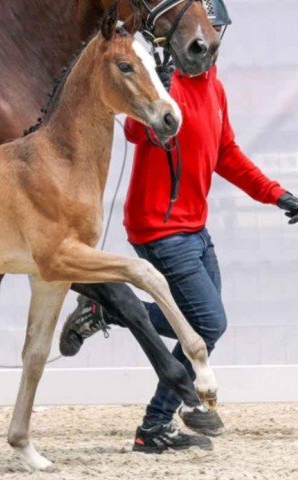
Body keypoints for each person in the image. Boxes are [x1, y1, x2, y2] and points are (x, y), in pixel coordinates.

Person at [59, 1, 298, 454]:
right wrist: (161, 91)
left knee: (204, 323)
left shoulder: (215, 88)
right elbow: (137, 131)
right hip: (159, 228)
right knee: (209, 322)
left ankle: (108, 314)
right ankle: (155, 423)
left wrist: (276, 194)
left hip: (197, 229)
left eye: (214, 33)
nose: (209, 42)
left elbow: (226, 154)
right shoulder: (162, 85)